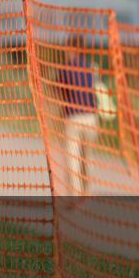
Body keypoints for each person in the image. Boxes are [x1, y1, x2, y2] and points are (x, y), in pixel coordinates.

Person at [56, 35, 100, 196]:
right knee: (87, 159)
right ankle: (86, 192)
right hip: (91, 117)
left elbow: (60, 91)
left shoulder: (65, 69)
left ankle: (76, 195)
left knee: (73, 159)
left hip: (73, 117)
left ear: (73, 49)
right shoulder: (91, 67)